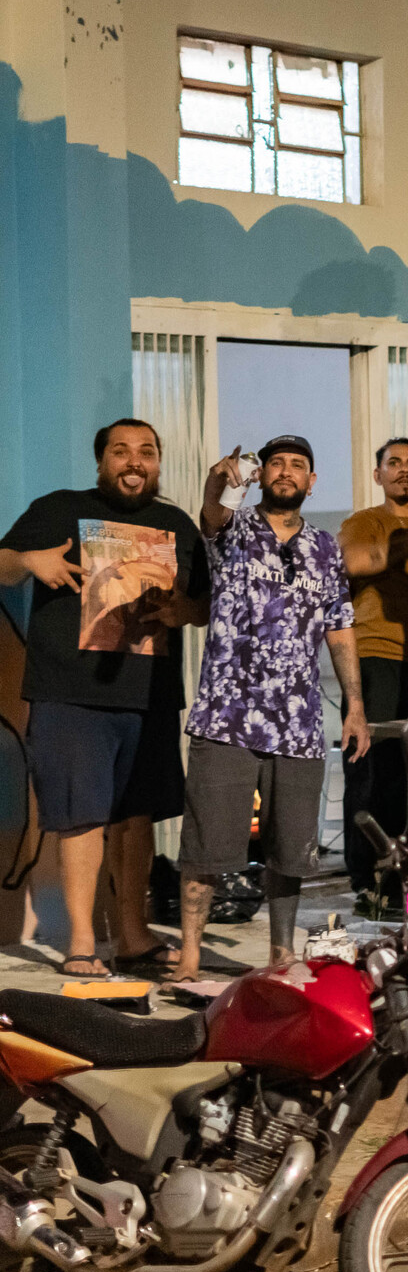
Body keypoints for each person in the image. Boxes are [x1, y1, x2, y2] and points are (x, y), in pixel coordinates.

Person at [0, 418, 209, 977]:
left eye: (146, 452)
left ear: (159, 463)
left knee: (138, 818)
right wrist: (28, 562)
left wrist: (180, 611)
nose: (134, 461)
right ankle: (82, 943)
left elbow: (204, 608)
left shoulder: (177, 525)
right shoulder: (58, 508)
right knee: (82, 817)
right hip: (72, 695)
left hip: (150, 696)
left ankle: (133, 936)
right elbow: (0, 563)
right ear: (101, 462)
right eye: (120, 451)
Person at [178, 439, 366, 981]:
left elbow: (340, 627)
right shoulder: (234, 531)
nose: (286, 472)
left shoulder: (326, 549)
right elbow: (210, 512)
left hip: (299, 724)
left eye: (298, 466)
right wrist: (217, 481)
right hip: (225, 717)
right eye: (276, 464)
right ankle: (190, 953)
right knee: (205, 844)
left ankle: (281, 950)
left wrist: (354, 706)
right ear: (260, 476)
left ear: (312, 482)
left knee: (291, 850)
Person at [339, 437, 408, 909]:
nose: (403, 470)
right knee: (372, 769)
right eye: (393, 463)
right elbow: (351, 563)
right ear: (377, 474)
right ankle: (367, 877)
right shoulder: (366, 522)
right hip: (377, 655)